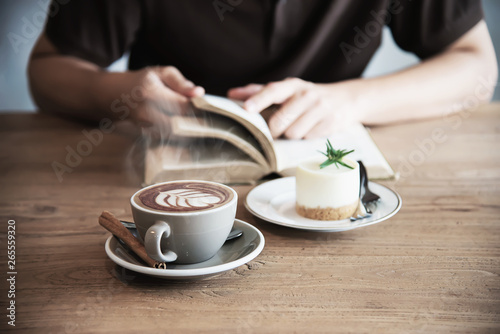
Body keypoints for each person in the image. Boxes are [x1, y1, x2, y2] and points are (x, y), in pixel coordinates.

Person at [29, 0, 497, 139]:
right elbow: (46, 71)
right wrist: (123, 94)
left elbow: (476, 65)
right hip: (169, 173)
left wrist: (349, 100)